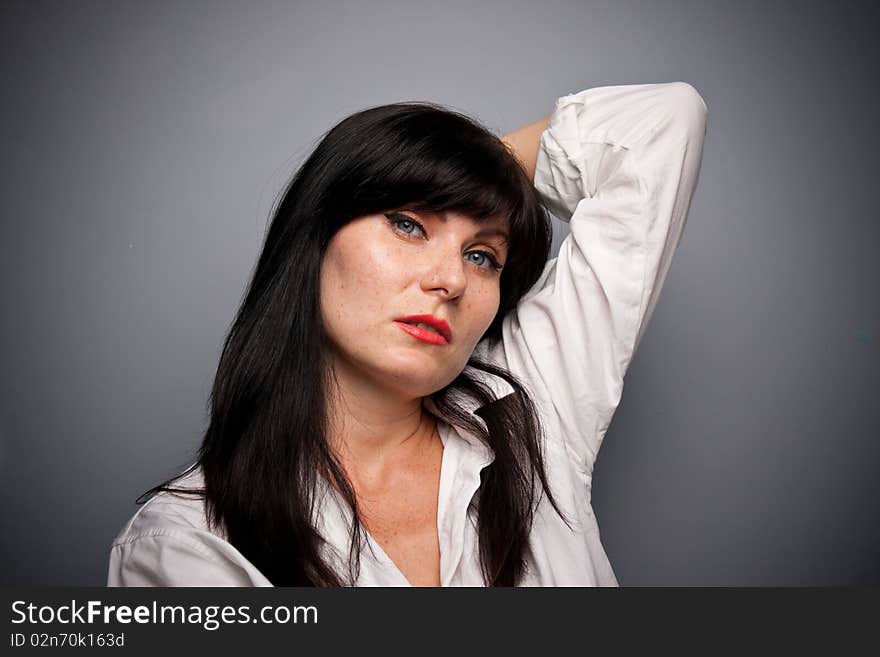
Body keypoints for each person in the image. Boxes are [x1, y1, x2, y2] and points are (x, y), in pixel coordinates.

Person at [108, 81, 708, 586]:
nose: (449, 280)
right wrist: (432, 171)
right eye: (408, 224)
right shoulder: (184, 543)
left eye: (482, 256)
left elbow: (663, 122)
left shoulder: (533, 409)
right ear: (315, 238)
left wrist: (467, 170)